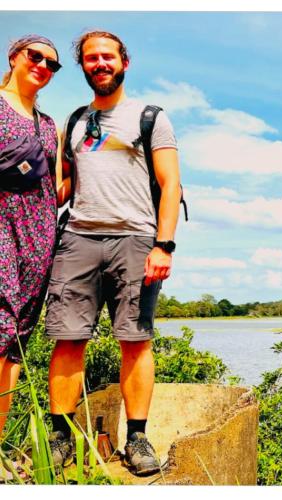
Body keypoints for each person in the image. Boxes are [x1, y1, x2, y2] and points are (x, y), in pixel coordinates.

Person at [46, 31, 181, 476]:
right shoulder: (76, 121)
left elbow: (170, 185)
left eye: (107, 56)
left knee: (135, 341)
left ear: (123, 62)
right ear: (83, 67)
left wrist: (163, 244)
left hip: (135, 240)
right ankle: (60, 436)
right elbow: (63, 187)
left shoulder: (150, 117)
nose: (100, 63)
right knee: (68, 339)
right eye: (90, 58)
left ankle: (137, 437)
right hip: (79, 239)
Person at [0, 35, 61, 436]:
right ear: (14, 56)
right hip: (2, 225)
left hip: (40, 234)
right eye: (34, 56)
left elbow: (56, 188)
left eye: (51, 64)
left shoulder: (49, 124)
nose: (41, 65)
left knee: (17, 337)